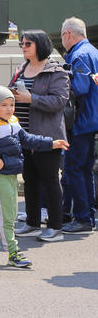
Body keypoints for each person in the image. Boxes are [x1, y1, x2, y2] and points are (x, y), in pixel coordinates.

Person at [0, 87, 69, 268]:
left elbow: (27, 139)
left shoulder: (13, 121)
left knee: (7, 216)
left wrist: (51, 143)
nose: (9, 108)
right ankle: (13, 252)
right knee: (6, 217)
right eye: (4, 105)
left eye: (12, 104)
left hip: (11, 174)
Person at [8, 30, 70, 241]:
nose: (23, 47)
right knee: (30, 180)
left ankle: (55, 227)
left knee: (51, 180)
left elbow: (59, 102)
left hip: (47, 137)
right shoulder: (21, 69)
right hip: (23, 136)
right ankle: (33, 223)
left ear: (40, 45)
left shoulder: (56, 71)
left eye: (28, 44)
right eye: (22, 44)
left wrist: (30, 98)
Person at [59, 17, 98, 233]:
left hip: (81, 121)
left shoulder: (80, 55)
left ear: (68, 35)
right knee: (84, 169)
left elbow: (79, 88)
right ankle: (88, 216)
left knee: (74, 168)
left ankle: (82, 218)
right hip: (91, 119)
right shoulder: (92, 51)